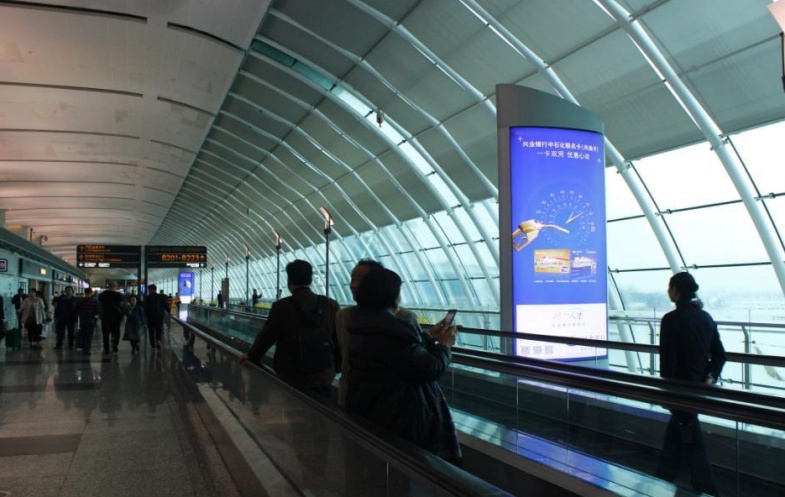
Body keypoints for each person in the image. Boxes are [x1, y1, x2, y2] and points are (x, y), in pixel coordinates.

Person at [345, 268, 461, 464]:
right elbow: (429, 368)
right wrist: (444, 346)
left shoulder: (362, 323)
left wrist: (428, 337)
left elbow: (399, 356)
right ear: (390, 295)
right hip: (398, 417)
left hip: (370, 409)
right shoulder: (392, 330)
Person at [655, 272, 726, 496]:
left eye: (670, 287)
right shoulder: (705, 318)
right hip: (698, 389)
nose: (668, 291)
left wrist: (666, 392)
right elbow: (720, 355)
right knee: (681, 434)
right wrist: (710, 376)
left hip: (679, 390)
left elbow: (668, 361)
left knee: (687, 437)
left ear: (676, 292)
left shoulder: (670, 320)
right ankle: (669, 479)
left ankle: (677, 482)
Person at [240, 260, 340, 397]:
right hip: (323, 373)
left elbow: (266, 337)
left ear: (289, 281)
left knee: (294, 405)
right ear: (310, 279)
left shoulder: (281, 307)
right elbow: (337, 339)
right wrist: (338, 366)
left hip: (292, 375)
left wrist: (251, 356)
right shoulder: (331, 305)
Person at [336, 259, 423, 407]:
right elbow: (421, 363)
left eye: (361, 280)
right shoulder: (404, 317)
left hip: (353, 395)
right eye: (352, 279)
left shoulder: (345, 316)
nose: (354, 285)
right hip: (390, 402)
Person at [98, 281, 124, 354]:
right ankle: (115, 345)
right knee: (116, 332)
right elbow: (121, 305)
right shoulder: (118, 295)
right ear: (115, 286)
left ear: (108, 286)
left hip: (106, 316)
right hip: (116, 316)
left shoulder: (103, 294)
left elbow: (100, 305)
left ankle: (106, 347)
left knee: (105, 333)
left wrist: (100, 313)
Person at [75, 288, 100, 355]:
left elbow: (76, 310)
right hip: (91, 319)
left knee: (83, 334)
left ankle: (83, 347)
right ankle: (86, 349)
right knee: (89, 335)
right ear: (91, 293)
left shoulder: (80, 301)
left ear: (85, 292)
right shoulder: (94, 301)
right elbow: (97, 311)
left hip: (82, 318)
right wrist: (95, 319)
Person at [144, 284, 168, 351]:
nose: (148, 291)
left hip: (150, 317)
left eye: (149, 289)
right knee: (158, 330)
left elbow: (145, 308)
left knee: (151, 332)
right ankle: (158, 340)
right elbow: (165, 305)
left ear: (151, 289)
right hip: (159, 317)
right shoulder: (160, 297)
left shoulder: (148, 297)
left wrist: (145, 316)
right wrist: (169, 311)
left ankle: (152, 346)